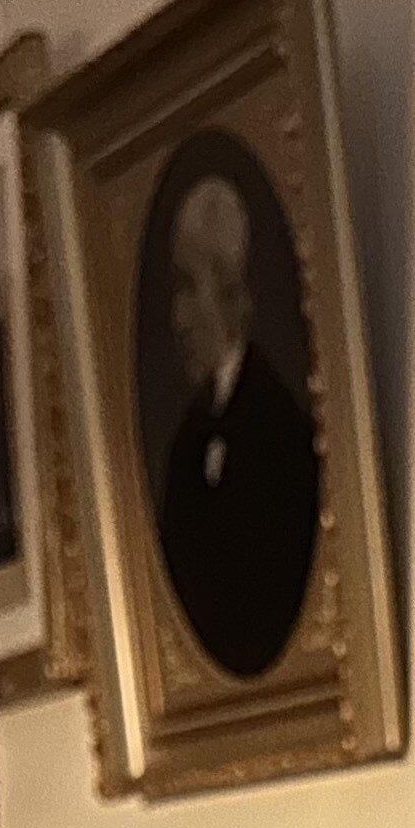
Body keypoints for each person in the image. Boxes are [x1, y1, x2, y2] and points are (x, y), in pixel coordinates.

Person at [152, 164, 322, 682]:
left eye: (187, 288)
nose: (177, 317)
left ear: (231, 294)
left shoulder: (281, 431)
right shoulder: (186, 443)